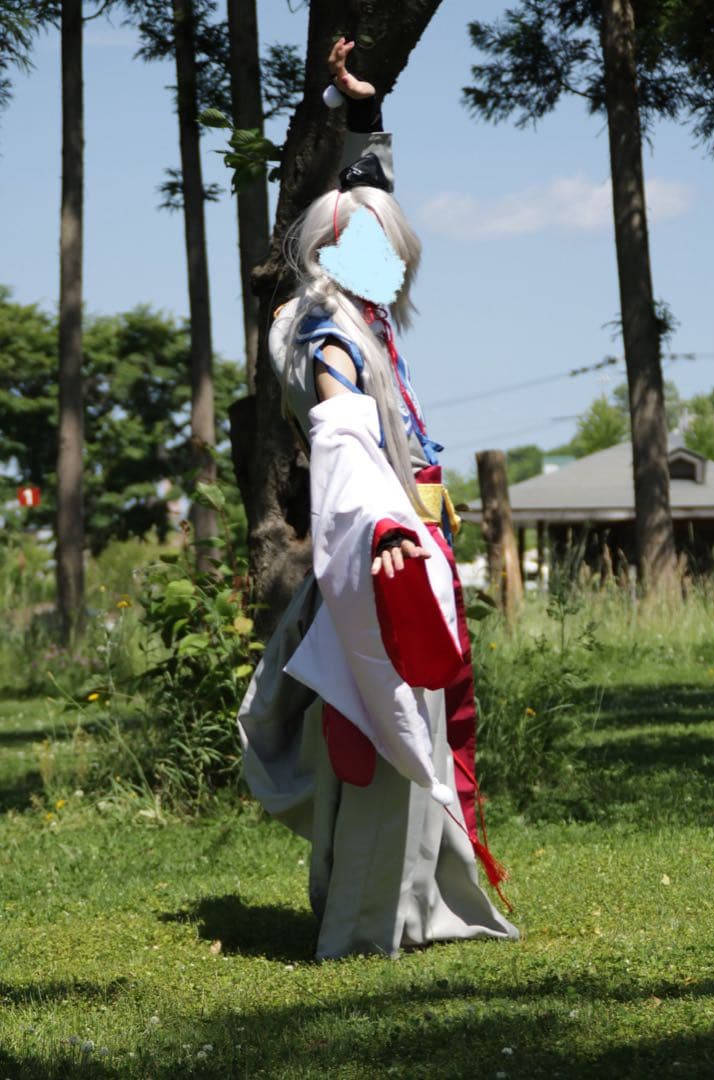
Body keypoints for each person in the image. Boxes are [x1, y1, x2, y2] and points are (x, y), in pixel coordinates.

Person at [237, 38, 519, 960]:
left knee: (412, 726)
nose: (397, 265)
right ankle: (368, 926)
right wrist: (386, 528)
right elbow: (343, 437)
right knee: (381, 731)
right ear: (337, 253)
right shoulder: (325, 330)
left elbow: (366, 196)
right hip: (376, 547)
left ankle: (418, 907)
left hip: (394, 545)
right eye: (379, 250)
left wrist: (358, 111)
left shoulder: (357, 310)